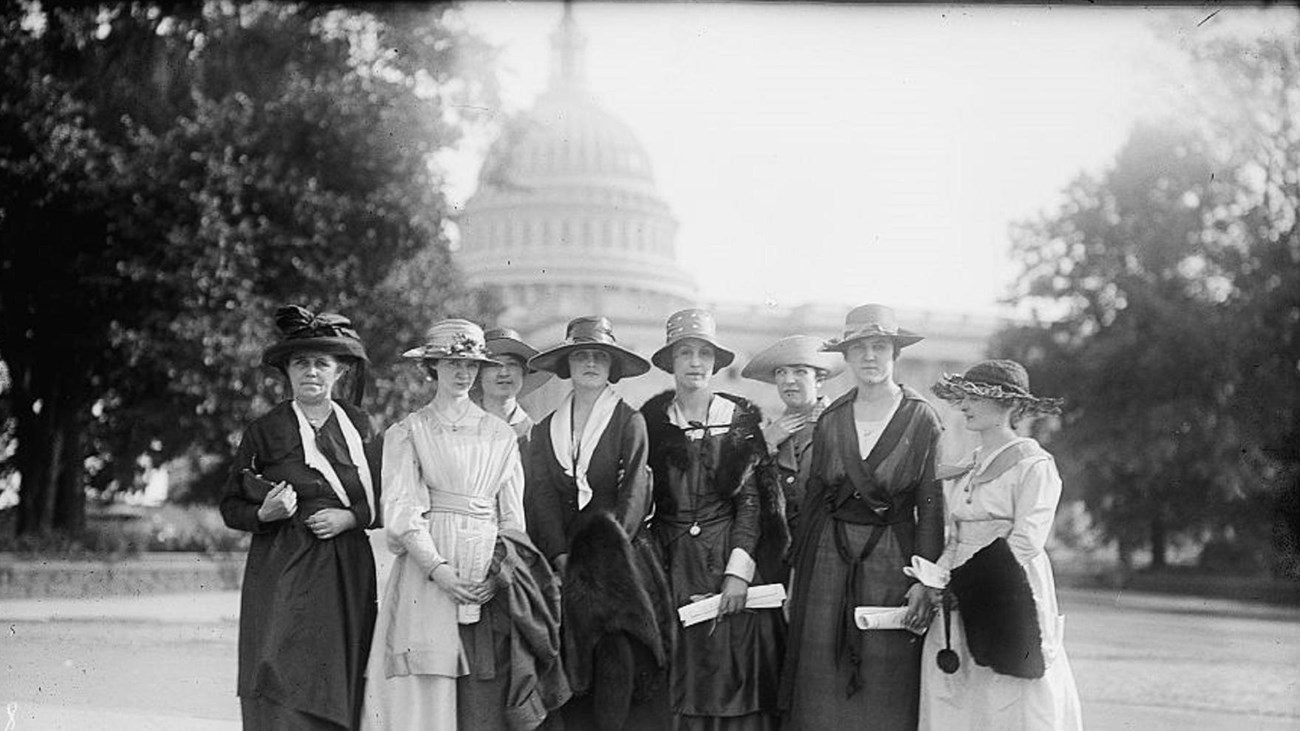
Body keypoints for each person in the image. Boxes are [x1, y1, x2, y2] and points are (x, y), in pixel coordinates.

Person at [361, 319, 568, 731]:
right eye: (451, 363)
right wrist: (439, 570)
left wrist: (499, 571)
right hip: (428, 572)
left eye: (471, 364)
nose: (462, 373)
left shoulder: (499, 435)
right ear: (432, 366)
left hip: (484, 576)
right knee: (424, 690)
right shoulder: (409, 432)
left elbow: (512, 520)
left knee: (481, 691)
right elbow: (401, 514)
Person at [779, 303, 944, 731]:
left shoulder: (921, 417)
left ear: (894, 354)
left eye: (879, 347)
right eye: (859, 349)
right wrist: (798, 572)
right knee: (820, 671)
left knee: (886, 676)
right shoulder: (831, 419)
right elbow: (814, 498)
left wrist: (926, 582)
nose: (869, 357)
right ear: (847, 357)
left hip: (893, 559)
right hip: (827, 558)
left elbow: (930, 505)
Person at [220, 304, 380, 731]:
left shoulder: (360, 426)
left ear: (339, 371)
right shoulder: (265, 429)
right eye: (301, 363)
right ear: (287, 372)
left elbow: (384, 498)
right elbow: (231, 505)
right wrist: (264, 512)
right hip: (281, 565)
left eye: (321, 363)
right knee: (275, 665)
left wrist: (349, 518)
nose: (311, 372)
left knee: (338, 669)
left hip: (344, 568)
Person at [525, 315, 674, 731]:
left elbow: (634, 492)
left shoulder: (629, 421)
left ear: (611, 368)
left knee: (619, 659)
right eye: (581, 356)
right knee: (572, 662)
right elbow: (541, 496)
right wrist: (558, 554)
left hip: (619, 557)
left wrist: (607, 554)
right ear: (568, 366)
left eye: (599, 357)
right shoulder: (544, 430)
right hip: (566, 559)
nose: (590, 364)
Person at [642, 308, 787, 731]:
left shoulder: (738, 420)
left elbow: (751, 503)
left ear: (715, 362)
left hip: (728, 554)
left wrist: (739, 573)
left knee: (732, 677)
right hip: (672, 565)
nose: (694, 363)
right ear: (670, 362)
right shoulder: (650, 423)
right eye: (685, 353)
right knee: (680, 683)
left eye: (703, 354)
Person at [919, 360, 1083, 730]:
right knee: (956, 685)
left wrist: (969, 585)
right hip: (958, 589)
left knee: (1009, 692)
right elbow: (956, 535)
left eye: (975, 398)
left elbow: (1026, 541)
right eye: (963, 397)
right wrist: (938, 580)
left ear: (1010, 405)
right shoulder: (969, 465)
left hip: (1006, 586)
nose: (963, 406)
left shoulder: (1034, 464)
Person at [741, 335, 844, 541]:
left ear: (819, 380)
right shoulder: (768, 431)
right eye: (781, 372)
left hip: (831, 547)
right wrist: (765, 443)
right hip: (783, 552)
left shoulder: (842, 424)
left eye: (800, 371)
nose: (789, 381)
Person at [473, 327, 550, 449]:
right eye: (494, 364)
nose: (504, 373)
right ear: (479, 374)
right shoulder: (458, 428)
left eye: (512, 364)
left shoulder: (536, 436)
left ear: (524, 373)